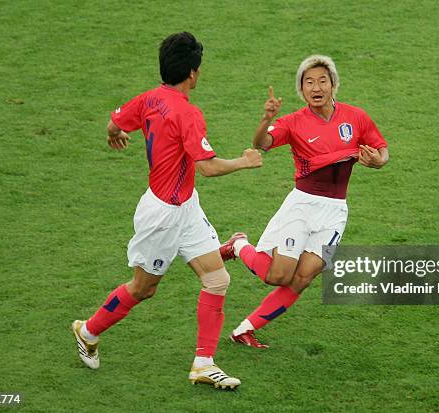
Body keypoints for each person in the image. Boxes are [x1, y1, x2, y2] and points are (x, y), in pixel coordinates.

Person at [72, 32, 262, 389]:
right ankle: (88, 330)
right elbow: (207, 166)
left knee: (218, 279)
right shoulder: (187, 113)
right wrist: (245, 161)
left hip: (185, 205)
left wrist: (114, 134)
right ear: (193, 73)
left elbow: (115, 123)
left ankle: (203, 363)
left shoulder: (149, 99)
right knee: (143, 289)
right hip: (162, 216)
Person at [220, 55, 389, 348]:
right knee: (278, 276)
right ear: (301, 89)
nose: (316, 87)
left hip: (335, 211)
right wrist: (266, 119)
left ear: (333, 84)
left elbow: (381, 149)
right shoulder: (294, 122)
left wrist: (377, 161)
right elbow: (263, 143)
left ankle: (243, 330)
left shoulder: (355, 116)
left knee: (304, 277)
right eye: (308, 82)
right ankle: (238, 245)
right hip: (303, 205)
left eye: (322, 80)